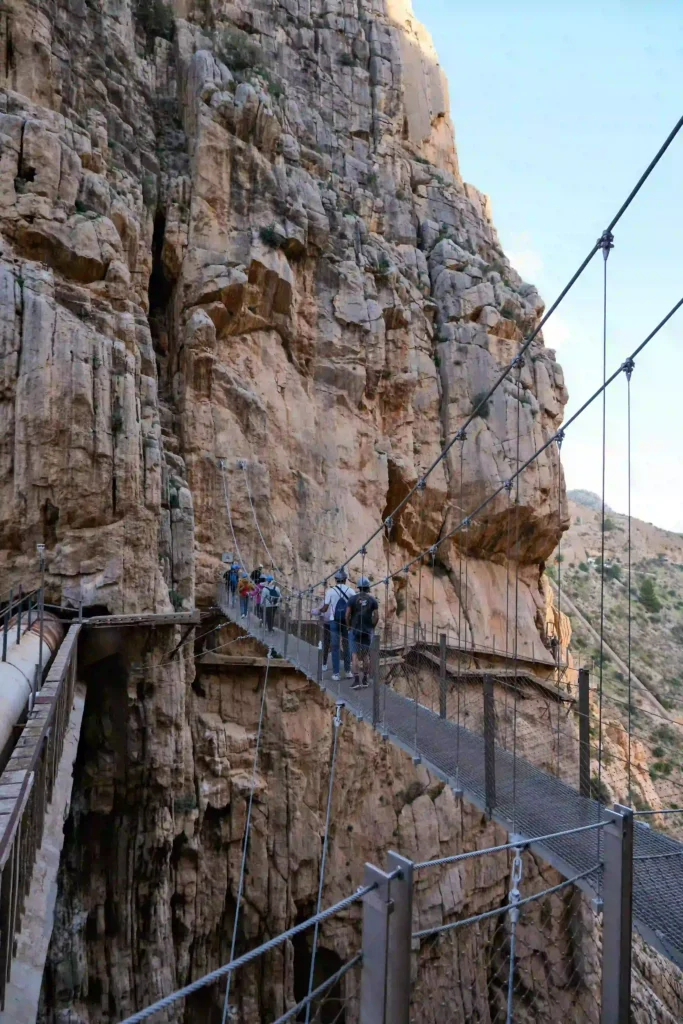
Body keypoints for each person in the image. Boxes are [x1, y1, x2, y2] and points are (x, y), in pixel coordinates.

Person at [319, 569, 355, 681]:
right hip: (347, 622)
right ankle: (348, 671)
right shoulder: (351, 591)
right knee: (347, 645)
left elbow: (325, 609)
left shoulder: (330, 591)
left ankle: (336, 673)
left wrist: (319, 610)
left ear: (335, 580)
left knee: (334, 646)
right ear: (345, 580)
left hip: (334, 621)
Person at [345, 577, 379, 689]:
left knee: (354, 656)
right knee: (365, 656)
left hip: (354, 631)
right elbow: (376, 616)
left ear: (359, 587)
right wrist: (372, 627)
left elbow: (347, 615)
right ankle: (365, 680)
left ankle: (356, 681)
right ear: (368, 587)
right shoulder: (373, 600)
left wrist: (349, 626)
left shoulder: (352, 599)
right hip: (366, 631)